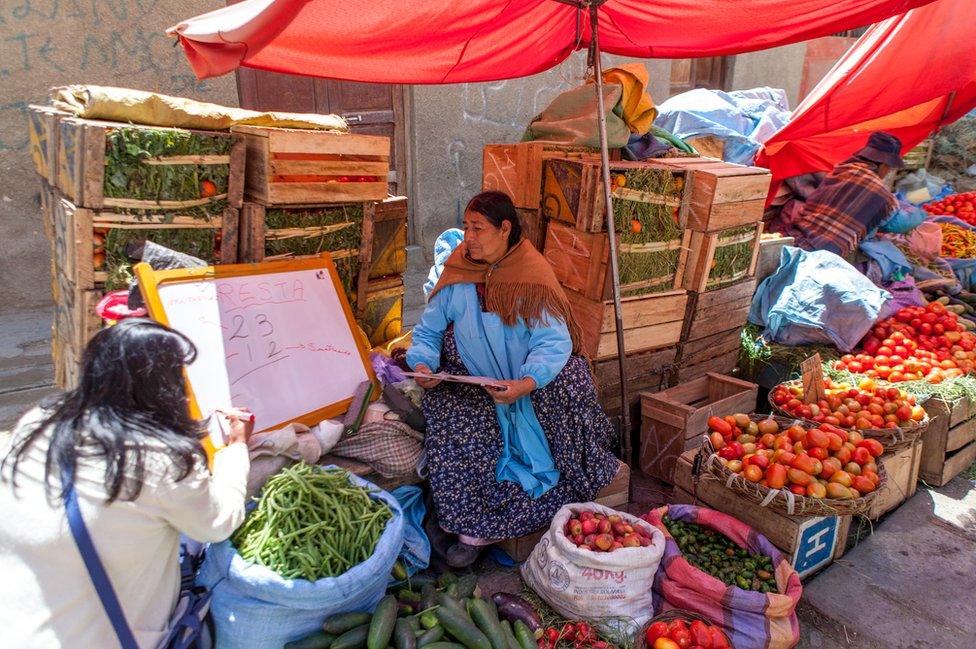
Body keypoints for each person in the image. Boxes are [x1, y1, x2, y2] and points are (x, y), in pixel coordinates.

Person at [0, 319, 253, 648]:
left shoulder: (38, 423)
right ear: (164, 386)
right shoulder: (157, 460)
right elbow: (218, 524)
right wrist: (236, 448)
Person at [406, 190, 619, 567]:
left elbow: (553, 341)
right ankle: (471, 526)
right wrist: (422, 365)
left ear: (504, 229)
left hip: (528, 382)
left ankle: (527, 511)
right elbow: (428, 331)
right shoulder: (459, 275)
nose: (468, 236)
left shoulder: (530, 277)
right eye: (466, 227)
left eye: (478, 228)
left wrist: (527, 383)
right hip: (481, 381)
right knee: (451, 416)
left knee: (571, 386)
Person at [781, 131, 905, 256]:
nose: (888, 172)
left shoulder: (842, 169)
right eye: (889, 168)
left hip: (795, 235)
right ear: (884, 165)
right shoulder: (885, 196)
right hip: (825, 252)